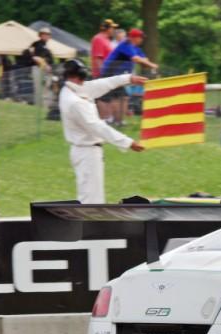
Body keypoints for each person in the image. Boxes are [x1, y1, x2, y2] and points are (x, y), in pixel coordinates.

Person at [58, 59, 146, 204]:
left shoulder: (74, 89)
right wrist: (128, 142)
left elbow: (103, 84)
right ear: (76, 76)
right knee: (91, 201)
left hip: (87, 151)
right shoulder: (74, 101)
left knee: (93, 198)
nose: (83, 80)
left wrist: (128, 79)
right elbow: (98, 127)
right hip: (86, 152)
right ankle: (89, 226)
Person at [101, 28, 158, 127]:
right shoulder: (126, 44)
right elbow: (136, 58)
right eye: (140, 37)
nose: (142, 40)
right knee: (113, 97)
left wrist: (147, 62)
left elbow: (144, 59)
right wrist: (152, 65)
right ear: (134, 38)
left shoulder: (136, 48)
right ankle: (112, 120)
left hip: (118, 75)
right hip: (110, 73)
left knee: (122, 97)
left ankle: (117, 121)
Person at [91, 18, 117, 121]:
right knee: (102, 97)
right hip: (102, 73)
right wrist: (103, 74)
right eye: (112, 28)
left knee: (108, 97)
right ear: (106, 28)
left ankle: (108, 118)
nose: (114, 30)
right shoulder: (98, 38)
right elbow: (98, 58)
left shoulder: (107, 40)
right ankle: (104, 119)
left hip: (109, 73)